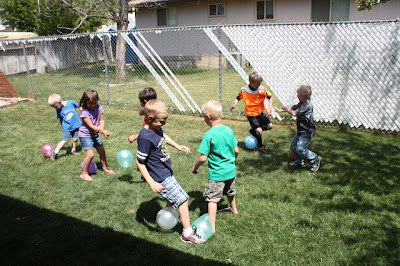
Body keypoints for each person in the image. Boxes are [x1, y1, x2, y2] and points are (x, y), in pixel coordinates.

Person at [136, 99, 206, 244]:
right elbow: (140, 162)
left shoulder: (156, 128)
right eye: (162, 121)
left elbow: (163, 136)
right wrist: (151, 182)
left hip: (165, 171)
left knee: (172, 200)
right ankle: (187, 233)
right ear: (150, 118)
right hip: (159, 176)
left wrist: (177, 145)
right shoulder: (144, 137)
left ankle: (167, 218)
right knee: (183, 199)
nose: (163, 124)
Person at [192, 101, 239, 234]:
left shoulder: (209, 135)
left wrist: (195, 168)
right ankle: (233, 208)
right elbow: (236, 150)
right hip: (230, 171)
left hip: (217, 174)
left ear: (208, 116)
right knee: (230, 191)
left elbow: (203, 157)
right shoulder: (228, 130)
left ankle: (211, 226)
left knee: (212, 199)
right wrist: (232, 160)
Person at [274, 84, 322, 172]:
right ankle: (299, 160)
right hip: (301, 131)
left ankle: (315, 159)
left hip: (307, 132)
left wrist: (286, 108)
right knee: (293, 146)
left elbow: (294, 113)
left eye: (297, 93)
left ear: (302, 95)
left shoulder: (307, 105)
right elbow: (294, 107)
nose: (296, 95)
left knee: (300, 148)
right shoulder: (302, 103)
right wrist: (282, 110)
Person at [229, 71, 273, 154]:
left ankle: (253, 132)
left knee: (270, 126)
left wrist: (269, 108)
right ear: (250, 82)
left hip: (260, 113)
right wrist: (234, 104)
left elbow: (270, 97)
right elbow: (238, 98)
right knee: (259, 130)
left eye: (260, 83)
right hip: (251, 114)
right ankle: (261, 147)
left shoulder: (262, 89)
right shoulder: (244, 90)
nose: (259, 85)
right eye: (257, 84)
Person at [78, 89, 114, 181]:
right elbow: (91, 126)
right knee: (90, 155)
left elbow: (101, 119)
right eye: (90, 103)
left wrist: (101, 126)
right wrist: (102, 131)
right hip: (85, 135)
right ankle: (84, 173)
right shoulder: (84, 112)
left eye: (94, 102)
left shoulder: (99, 108)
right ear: (84, 102)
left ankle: (104, 168)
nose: (93, 105)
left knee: (102, 151)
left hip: (94, 135)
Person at [47, 94, 81, 162]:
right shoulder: (59, 110)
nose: (55, 108)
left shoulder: (71, 103)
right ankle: (55, 152)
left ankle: (73, 150)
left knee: (75, 138)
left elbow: (79, 106)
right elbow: (60, 119)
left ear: (60, 102)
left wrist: (83, 111)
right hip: (67, 127)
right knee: (65, 140)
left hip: (75, 125)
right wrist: (62, 127)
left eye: (55, 106)